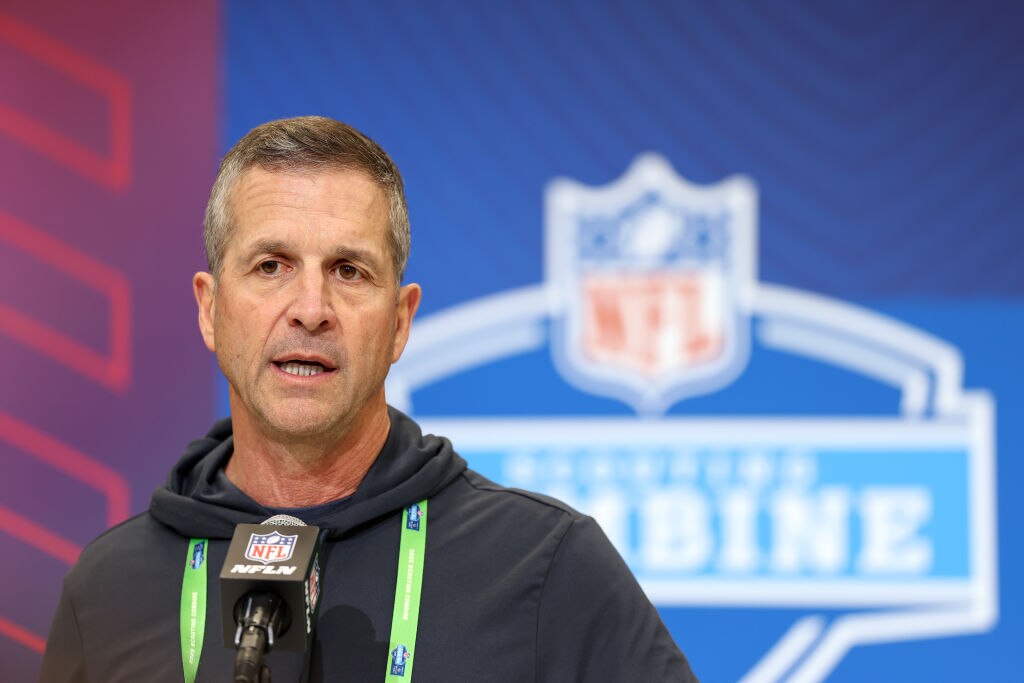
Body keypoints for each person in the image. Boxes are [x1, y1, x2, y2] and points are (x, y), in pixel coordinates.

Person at [38, 116, 699, 682]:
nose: (311, 309)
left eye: (349, 271)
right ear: (210, 309)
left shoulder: (547, 565)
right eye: (271, 266)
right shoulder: (107, 589)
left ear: (400, 322)